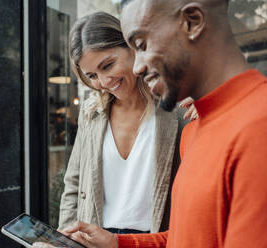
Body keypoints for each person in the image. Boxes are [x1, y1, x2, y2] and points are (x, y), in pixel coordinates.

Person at [61, 0, 267, 247]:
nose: (138, 66)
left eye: (142, 45)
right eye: (92, 75)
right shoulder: (194, 129)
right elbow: (183, 236)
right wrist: (117, 242)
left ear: (192, 22)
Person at [56, 12, 196, 236]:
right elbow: (74, 184)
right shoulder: (92, 113)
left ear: (133, 47)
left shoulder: (177, 107)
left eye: (108, 65)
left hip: (157, 237)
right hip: (97, 238)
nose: (103, 82)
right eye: (92, 75)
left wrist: (206, 105)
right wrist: (67, 238)